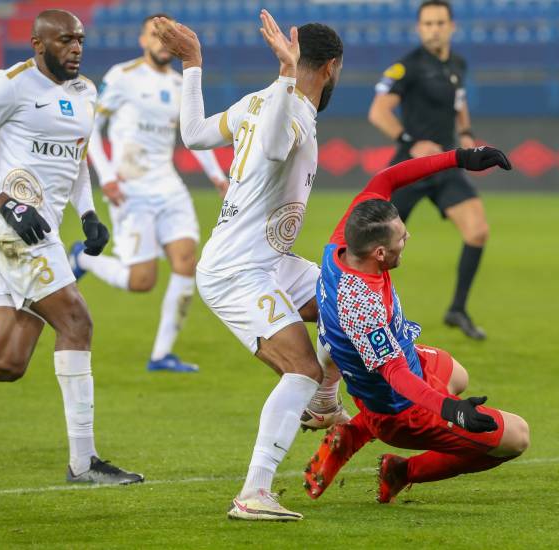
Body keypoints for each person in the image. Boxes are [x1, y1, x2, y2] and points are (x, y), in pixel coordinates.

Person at [154, 11, 345, 520]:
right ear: (330, 68)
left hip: (270, 260)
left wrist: (193, 64)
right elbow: (277, 144)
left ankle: (326, 397)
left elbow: (193, 133)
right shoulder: (290, 107)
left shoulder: (254, 101)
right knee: (300, 368)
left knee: (345, 294)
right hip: (236, 270)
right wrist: (286, 77)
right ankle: (253, 493)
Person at [0, 9, 143, 484]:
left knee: (6, 362)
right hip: (10, 230)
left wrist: (89, 213)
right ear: (38, 43)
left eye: (80, 40)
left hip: (44, 232)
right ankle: (84, 464)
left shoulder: (85, 92)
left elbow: (76, 162)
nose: (75, 48)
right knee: (76, 320)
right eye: (64, 41)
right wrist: (5, 201)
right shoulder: (9, 84)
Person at [302, 147, 530, 504]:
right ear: (380, 254)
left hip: (404, 361)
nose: (407, 240)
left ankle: (352, 434)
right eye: (401, 239)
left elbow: (385, 179)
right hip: (400, 411)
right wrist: (449, 409)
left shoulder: (344, 241)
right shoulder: (361, 303)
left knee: (458, 376)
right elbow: (395, 375)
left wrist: (461, 158)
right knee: (516, 437)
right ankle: (401, 471)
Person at [69, 14, 229, 373]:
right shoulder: (122, 77)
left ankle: (161, 355)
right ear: (142, 40)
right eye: (154, 35)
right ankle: (83, 259)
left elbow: (196, 136)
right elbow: (91, 129)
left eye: (167, 35)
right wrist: (107, 176)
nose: (161, 41)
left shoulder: (179, 84)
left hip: (168, 186)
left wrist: (219, 177)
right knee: (141, 281)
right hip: (130, 188)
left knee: (187, 262)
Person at [368, 0, 488, 338]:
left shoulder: (457, 64)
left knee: (477, 231)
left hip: (446, 165)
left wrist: (465, 135)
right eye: (428, 24)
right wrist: (410, 139)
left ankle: (457, 309)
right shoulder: (408, 67)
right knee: (378, 248)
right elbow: (378, 112)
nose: (434, 29)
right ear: (419, 29)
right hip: (410, 168)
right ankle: (366, 315)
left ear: (452, 27)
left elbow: (459, 103)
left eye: (440, 23)